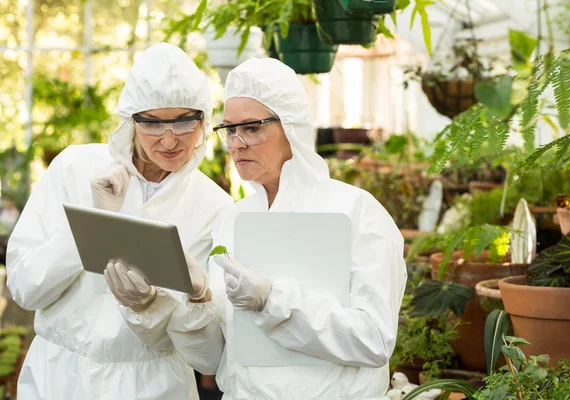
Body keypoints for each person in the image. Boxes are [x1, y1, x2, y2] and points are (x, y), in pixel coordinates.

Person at [111, 57, 407, 400]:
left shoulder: (356, 212)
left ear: (291, 126)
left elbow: (373, 340)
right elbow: (212, 360)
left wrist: (274, 302)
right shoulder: (231, 221)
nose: (237, 143)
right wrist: (197, 298)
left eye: (251, 128)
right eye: (229, 130)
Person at [6, 42, 232, 399]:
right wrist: (92, 225)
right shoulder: (74, 168)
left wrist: (166, 304)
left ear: (204, 118)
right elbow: (25, 288)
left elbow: (208, 357)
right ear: (130, 119)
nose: (170, 139)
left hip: (154, 387)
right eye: (153, 123)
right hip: (60, 379)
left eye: (185, 121)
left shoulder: (215, 207)